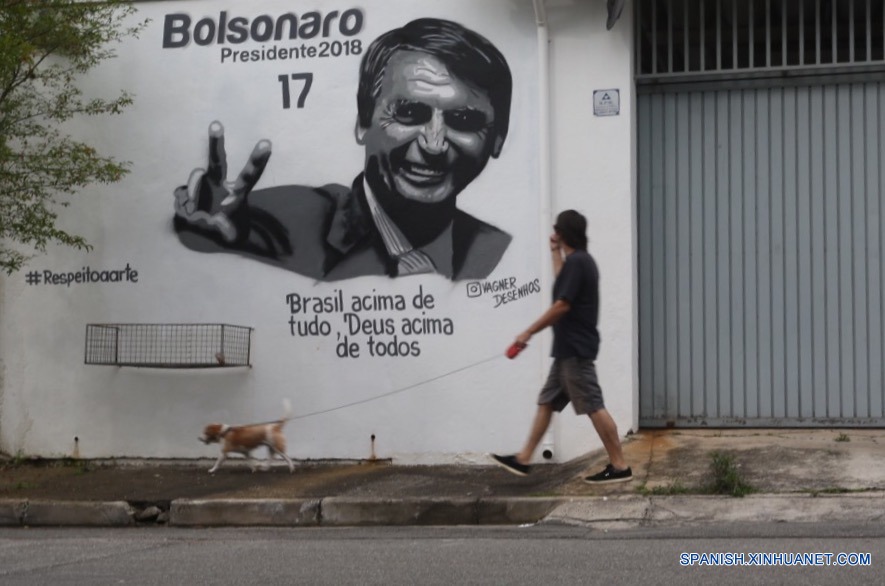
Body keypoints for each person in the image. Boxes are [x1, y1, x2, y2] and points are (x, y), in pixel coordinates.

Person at [173, 18, 513, 281]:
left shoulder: (501, 253)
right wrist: (212, 238)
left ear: (498, 138)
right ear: (363, 123)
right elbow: (240, 234)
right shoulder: (286, 227)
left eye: (464, 119)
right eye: (410, 112)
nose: (434, 143)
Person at [491, 210, 632, 484]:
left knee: (593, 405)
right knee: (547, 401)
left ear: (563, 232)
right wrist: (555, 252)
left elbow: (562, 304)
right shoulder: (578, 262)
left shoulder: (579, 263)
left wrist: (527, 332)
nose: (553, 234)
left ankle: (620, 465)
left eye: (556, 230)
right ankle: (523, 459)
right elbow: (563, 284)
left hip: (575, 351)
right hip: (567, 350)